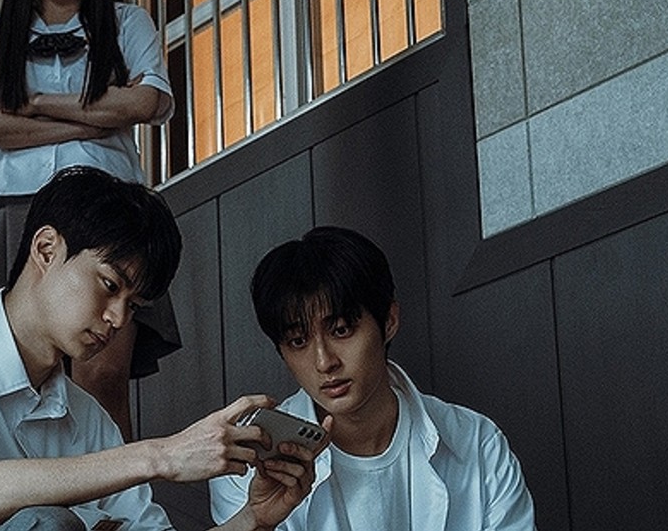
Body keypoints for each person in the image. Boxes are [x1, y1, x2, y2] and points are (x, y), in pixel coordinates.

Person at [0, 167, 316, 531]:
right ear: (46, 249)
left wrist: (252, 520)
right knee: (47, 523)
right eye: (109, 285)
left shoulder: (86, 419)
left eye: (133, 305)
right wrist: (162, 456)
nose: (118, 319)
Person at [0, 0, 178, 439]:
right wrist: (93, 119)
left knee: (103, 377)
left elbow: (146, 101)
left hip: (109, 212)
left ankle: (115, 491)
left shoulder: (127, 22)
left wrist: (38, 102)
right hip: (11, 208)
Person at [209, 226, 537, 530]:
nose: (324, 362)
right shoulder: (249, 466)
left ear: (389, 321)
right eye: (298, 341)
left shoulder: (477, 444)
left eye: (341, 331)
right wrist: (257, 524)